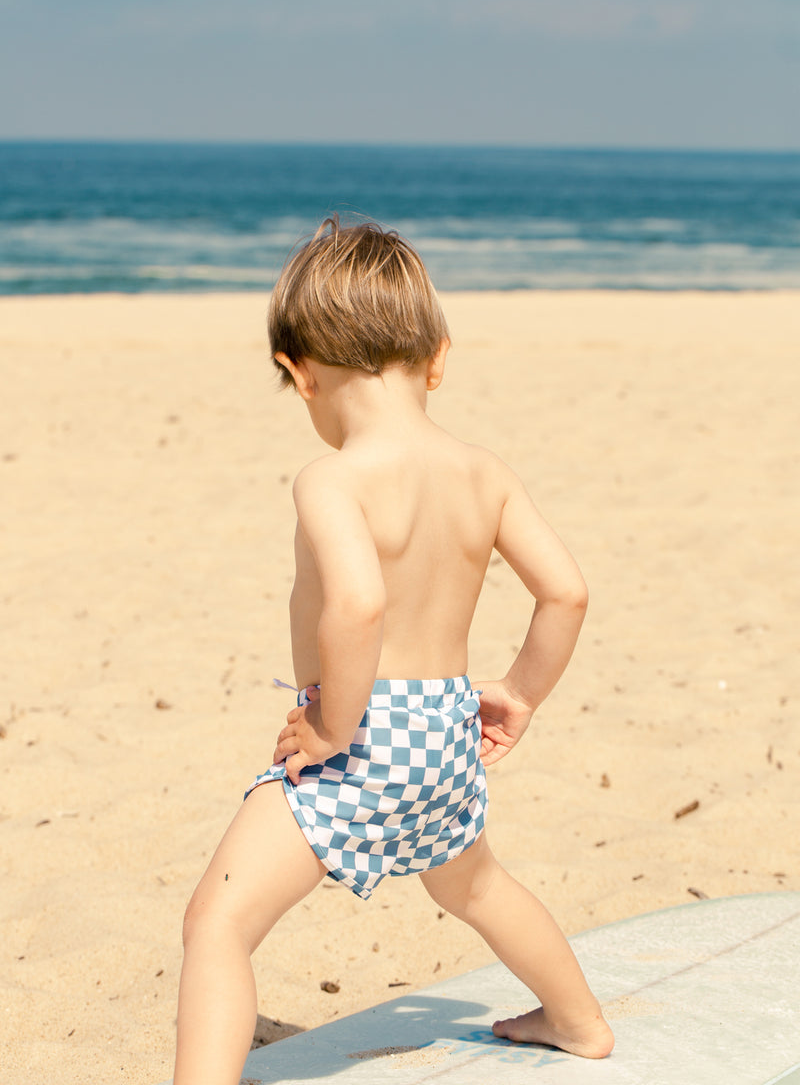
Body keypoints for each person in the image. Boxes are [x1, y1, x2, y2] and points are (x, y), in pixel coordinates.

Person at [173, 217, 614, 1085]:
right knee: (476, 886)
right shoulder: (483, 471)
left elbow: (359, 602)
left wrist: (333, 725)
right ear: (438, 358)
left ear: (298, 373)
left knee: (217, 925)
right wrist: (520, 691)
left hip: (363, 733)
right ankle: (579, 1021)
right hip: (443, 732)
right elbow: (566, 591)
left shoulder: (331, 477)